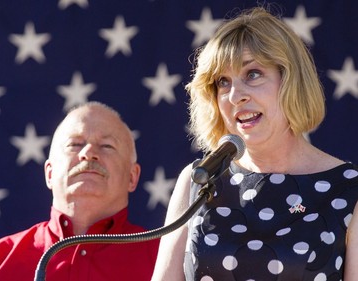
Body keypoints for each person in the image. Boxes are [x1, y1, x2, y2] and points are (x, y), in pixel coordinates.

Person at [151, 6, 358, 281]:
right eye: (223, 82)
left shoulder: (349, 189)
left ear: (290, 81)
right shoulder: (198, 179)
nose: (236, 95)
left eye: (253, 74)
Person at [0, 101, 159, 281]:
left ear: (132, 177)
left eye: (107, 145)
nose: (89, 153)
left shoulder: (167, 261)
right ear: (49, 173)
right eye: (74, 144)